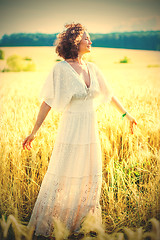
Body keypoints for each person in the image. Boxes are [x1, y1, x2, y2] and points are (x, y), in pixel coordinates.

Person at [22, 23, 137, 237]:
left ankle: (82, 224)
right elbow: (47, 101)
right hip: (71, 130)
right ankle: (54, 224)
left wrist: (127, 115)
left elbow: (109, 95)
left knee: (89, 176)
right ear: (76, 42)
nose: (90, 42)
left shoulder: (93, 68)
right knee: (64, 174)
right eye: (87, 39)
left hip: (90, 131)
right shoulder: (60, 69)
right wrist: (34, 131)